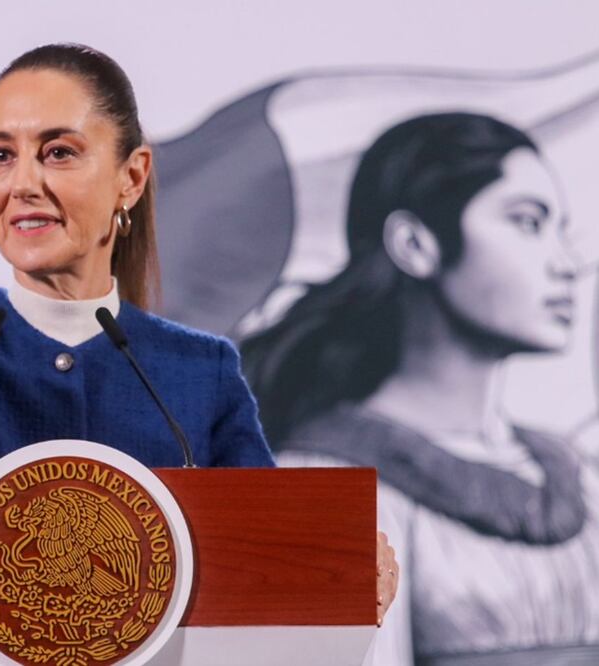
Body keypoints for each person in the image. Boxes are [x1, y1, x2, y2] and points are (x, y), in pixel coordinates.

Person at [0, 43, 398, 624]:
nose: (23, 183)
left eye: (58, 152)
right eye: (2, 155)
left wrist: (341, 568)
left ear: (131, 177)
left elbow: (272, 557)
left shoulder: (200, 372)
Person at [242, 112, 598, 664]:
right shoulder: (314, 491)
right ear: (414, 244)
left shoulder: (581, 476)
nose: (568, 264)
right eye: (527, 223)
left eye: (561, 231)